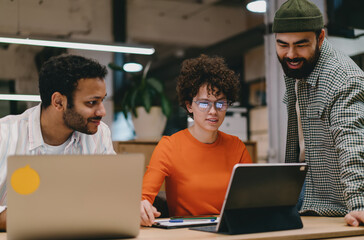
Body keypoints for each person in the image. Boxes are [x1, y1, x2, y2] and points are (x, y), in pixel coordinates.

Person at [272, 0, 364, 226]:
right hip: (304, 191)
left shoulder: (343, 78)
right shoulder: (298, 67)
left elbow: (352, 141)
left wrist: (360, 204)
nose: (291, 54)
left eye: (300, 44)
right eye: (282, 44)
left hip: (340, 205)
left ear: (320, 38)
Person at [0, 54, 115, 230]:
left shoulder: (99, 135)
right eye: (92, 102)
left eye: (102, 100)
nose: (102, 111)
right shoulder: (5, 135)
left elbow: (113, 195)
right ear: (58, 102)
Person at [140, 54, 252, 226]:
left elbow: (252, 198)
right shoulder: (169, 146)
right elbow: (143, 197)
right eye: (204, 103)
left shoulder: (236, 146)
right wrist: (143, 206)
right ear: (189, 105)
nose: (213, 111)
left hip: (229, 231)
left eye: (220, 103)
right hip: (187, 232)